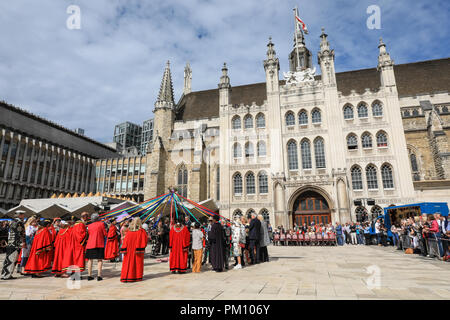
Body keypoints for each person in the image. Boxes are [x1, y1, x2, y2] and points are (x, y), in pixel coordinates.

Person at [120, 217, 148, 282]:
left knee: (128, 263)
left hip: (129, 251)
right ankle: (137, 276)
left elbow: (125, 242)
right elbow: (145, 241)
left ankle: (126, 277)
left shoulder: (129, 232)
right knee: (137, 263)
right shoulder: (141, 231)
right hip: (137, 250)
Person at [1, 212, 25, 280]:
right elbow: (19, 234)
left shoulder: (12, 222)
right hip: (15, 244)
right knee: (12, 260)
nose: (23, 215)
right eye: (22, 214)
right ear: (20, 215)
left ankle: (4, 274)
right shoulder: (19, 222)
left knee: (8, 260)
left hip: (10, 243)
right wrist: (22, 243)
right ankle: (7, 275)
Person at [86, 213, 107, 281]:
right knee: (99, 260)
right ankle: (99, 276)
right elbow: (105, 234)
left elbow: (89, 233)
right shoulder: (101, 224)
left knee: (89, 260)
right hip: (99, 243)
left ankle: (89, 275)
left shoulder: (89, 225)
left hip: (90, 244)